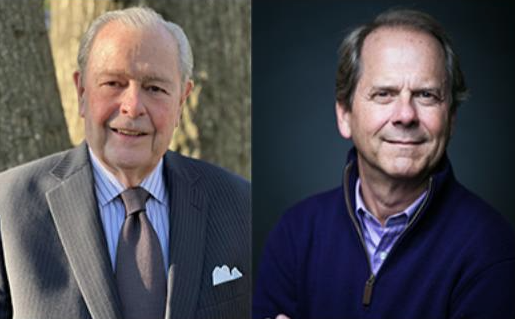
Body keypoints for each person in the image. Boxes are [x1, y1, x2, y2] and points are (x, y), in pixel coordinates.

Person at [253, 8, 515, 319]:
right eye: (384, 94)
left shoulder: (492, 250)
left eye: (426, 95)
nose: (405, 115)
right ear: (344, 115)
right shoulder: (296, 234)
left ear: (452, 119)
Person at [0, 7, 250, 319]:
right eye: (114, 83)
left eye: (155, 88)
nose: (132, 107)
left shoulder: (241, 204)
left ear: (182, 101)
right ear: (81, 91)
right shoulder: (8, 206)